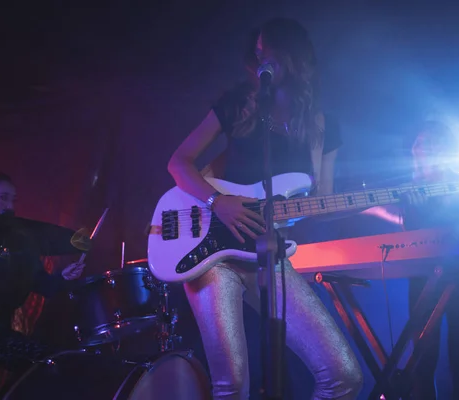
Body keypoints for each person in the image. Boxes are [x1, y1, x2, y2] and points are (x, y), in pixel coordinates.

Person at [167, 18, 363, 400]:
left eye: (267, 50)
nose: (260, 58)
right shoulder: (238, 105)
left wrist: (374, 203)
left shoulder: (323, 127)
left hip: (268, 252)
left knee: (343, 375)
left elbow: (322, 199)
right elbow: (179, 163)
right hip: (212, 256)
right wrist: (216, 201)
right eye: (256, 51)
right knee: (231, 385)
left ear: (292, 56)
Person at [365, 121, 459, 400]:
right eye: (420, 143)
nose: (425, 148)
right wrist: (408, 210)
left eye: (433, 142)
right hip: (423, 277)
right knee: (422, 363)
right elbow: (387, 217)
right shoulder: (405, 189)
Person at [0, 162, 85, 398]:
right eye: (2, 198)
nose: (9, 207)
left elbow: (47, 286)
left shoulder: (20, 244)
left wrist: (63, 277)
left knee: (51, 364)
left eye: (13, 200)